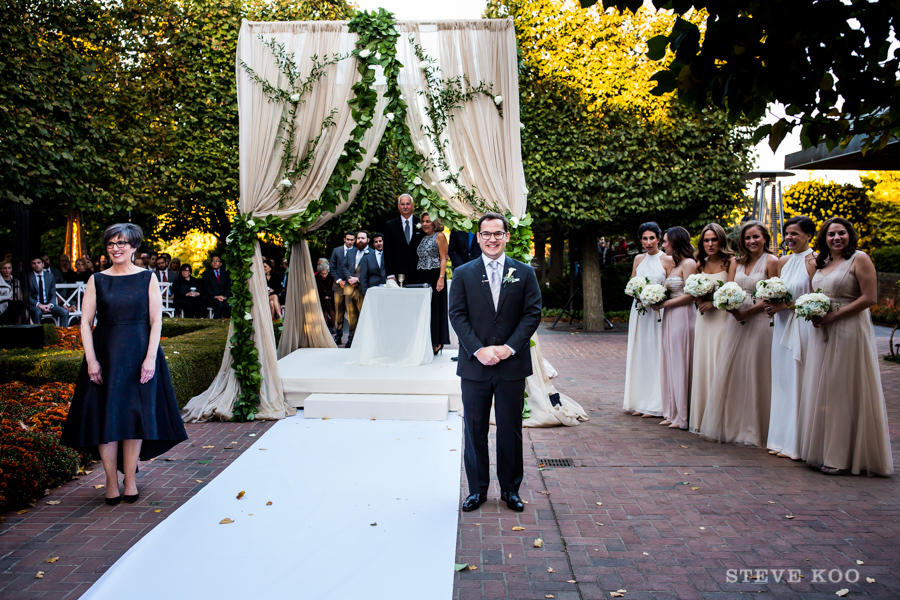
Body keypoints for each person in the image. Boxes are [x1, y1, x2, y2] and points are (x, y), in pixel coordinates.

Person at [60, 223, 188, 505]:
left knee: (133, 419)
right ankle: (110, 480)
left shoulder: (147, 278)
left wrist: (150, 358)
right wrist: (91, 360)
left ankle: (130, 480)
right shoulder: (97, 280)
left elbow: (157, 321)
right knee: (107, 419)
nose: (115, 248)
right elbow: (85, 322)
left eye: (121, 243)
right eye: (111, 244)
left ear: (133, 247)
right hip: (106, 355)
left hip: (139, 355)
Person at [449, 212, 542, 513]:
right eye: (486, 234)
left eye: (497, 234)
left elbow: (533, 313)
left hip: (511, 365)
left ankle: (511, 490)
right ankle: (477, 490)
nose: (492, 239)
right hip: (475, 366)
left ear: (507, 237)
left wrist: (509, 348)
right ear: (478, 237)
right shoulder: (463, 273)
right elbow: (457, 315)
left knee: (510, 429)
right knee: (475, 428)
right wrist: (478, 350)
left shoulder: (524, 272)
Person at [798, 218, 893, 475]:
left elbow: (869, 298)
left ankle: (841, 456)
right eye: (831, 234)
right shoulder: (822, 263)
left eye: (841, 233)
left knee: (842, 388)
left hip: (849, 329)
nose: (836, 238)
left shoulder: (860, 258)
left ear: (850, 235)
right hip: (822, 331)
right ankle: (823, 449)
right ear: (824, 238)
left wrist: (833, 316)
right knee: (823, 388)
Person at [700, 221, 778, 447]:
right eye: (747, 238)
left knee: (757, 370)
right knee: (736, 371)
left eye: (756, 237)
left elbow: (773, 294)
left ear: (765, 238)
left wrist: (748, 311)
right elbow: (729, 288)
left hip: (760, 320)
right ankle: (735, 426)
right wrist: (731, 307)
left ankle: (757, 429)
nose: (751, 241)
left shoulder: (772, 262)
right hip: (736, 320)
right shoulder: (737, 262)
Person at [763, 216, 816, 459]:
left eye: (795, 233)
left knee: (797, 379)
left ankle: (796, 442)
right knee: (782, 381)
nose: (789, 238)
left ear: (808, 235)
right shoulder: (784, 261)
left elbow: (817, 299)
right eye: (787, 234)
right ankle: (780, 438)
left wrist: (785, 306)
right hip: (781, 325)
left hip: (802, 325)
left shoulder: (814, 261)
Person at [623, 222, 671, 418]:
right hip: (639, 311)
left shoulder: (667, 260)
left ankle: (655, 403)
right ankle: (640, 401)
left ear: (659, 239)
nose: (648, 242)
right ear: (640, 240)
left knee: (656, 352)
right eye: (645, 238)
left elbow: (671, 287)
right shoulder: (638, 259)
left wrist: (658, 297)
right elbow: (633, 281)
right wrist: (636, 293)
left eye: (652, 238)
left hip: (657, 312)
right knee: (640, 352)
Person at [688, 223, 733, 434]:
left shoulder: (731, 262)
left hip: (722, 318)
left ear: (721, 241)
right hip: (704, 320)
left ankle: (720, 421)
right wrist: (698, 298)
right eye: (706, 240)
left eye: (714, 239)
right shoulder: (699, 264)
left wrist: (714, 303)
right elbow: (691, 291)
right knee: (704, 363)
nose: (710, 244)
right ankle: (702, 417)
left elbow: (733, 292)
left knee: (719, 362)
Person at [656, 226, 697, 430]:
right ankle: (671, 412)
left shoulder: (689, 263)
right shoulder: (675, 265)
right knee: (670, 361)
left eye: (665, 242)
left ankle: (683, 415)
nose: (663, 245)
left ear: (676, 241)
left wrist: (664, 304)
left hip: (683, 315)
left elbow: (691, 295)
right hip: (670, 315)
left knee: (680, 361)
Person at [417, 212, 451, 354]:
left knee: (435, 308)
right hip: (422, 275)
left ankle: (437, 343)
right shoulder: (423, 238)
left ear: (434, 223)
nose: (425, 224)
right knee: (425, 310)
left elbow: (444, 258)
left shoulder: (440, 236)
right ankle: (426, 341)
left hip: (435, 275)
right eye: (423, 221)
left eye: (428, 221)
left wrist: (441, 278)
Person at [383, 193, 425, 284]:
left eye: (408, 204)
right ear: (398, 206)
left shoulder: (422, 223)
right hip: (398, 273)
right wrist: (390, 274)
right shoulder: (390, 226)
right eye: (402, 204)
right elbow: (387, 251)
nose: (405, 206)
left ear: (412, 206)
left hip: (418, 272)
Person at [340, 231, 369, 348]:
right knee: (351, 317)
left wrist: (358, 279)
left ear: (368, 240)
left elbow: (371, 271)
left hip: (361, 289)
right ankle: (351, 339)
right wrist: (349, 278)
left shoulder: (371, 253)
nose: (360, 240)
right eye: (358, 238)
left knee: (363, 316)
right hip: (349, 289)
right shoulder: (351, 252)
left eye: (363, 238)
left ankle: (363, 340)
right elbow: (343, 266)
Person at [329, 232, 356, 344]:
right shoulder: (336, 250)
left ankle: (351, 337)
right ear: (344, 239)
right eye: (348, 239)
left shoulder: (356, 251)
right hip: (338, 286)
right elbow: (332, 267)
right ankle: (338, 335)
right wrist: (339, 281)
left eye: (352, 240)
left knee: (351, 313)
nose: (350, 242)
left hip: (351, 287)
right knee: (339, 312)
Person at [27, 255, 70, 325]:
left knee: (64, 312)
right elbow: (27, 296)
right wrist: (39, 305)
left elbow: (53, 293)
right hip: (35, 305)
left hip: (48, 304)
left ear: (43, 264)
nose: (36, 265)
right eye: (34, 263)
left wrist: (50, 305)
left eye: (38, 263)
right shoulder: (28, 277)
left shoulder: (50, 276)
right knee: (37, 312)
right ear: (31, 265)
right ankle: (38, 334)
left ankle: (63, 334)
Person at [0, 260, 24, 324]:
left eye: (9, 268)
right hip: (2, 307)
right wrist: (8, 298)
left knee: (20, 305)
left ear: (12, 269)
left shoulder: (16, 281)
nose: (7, 270)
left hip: (14, 307)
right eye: (4, 268)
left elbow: (19, 297)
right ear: (1, 269)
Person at [315, 259, 336, 331]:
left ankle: (332, 326)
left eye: (325, 273)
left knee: (330, 306)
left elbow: (333, 288)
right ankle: (328, 326)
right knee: (325, 307)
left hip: (331, 296)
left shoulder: (331, 277)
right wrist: (324, 296)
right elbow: (317, 289)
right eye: (322, 274)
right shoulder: (317, 278)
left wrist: (329, 296)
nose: (324, 275)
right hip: (321, 297)